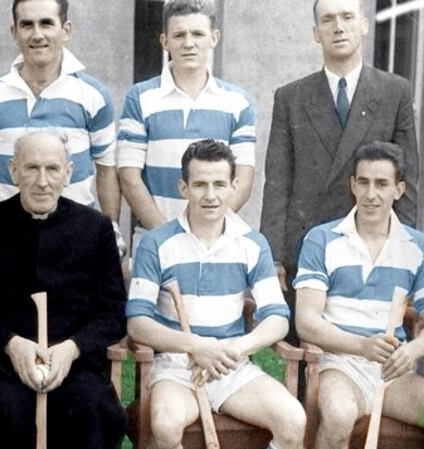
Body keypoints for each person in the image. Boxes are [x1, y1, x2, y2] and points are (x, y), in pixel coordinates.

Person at [0, 129, 127, 449]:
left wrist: (72, 348)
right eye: (32, 168)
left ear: (68, 173)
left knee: (89, 410)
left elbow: (113, 314)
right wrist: (11, 344)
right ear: (13, 170)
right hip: (1, 365)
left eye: (52, 169)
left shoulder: (96, 228)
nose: (42, 181)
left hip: (75, 364)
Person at [127, 140, 305, 449]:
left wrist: (234, 349)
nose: (210, 195)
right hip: (176, 367)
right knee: (166, 426)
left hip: (231, 367)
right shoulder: (156, 243)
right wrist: (197, 346)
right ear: (184, 188)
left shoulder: (253, 243)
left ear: (234, 186)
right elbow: (137, 324)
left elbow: (278, 318)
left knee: (293, 422)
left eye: (219, 184)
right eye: (200, 185)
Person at [261, 0, 419, 294]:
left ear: (364, 25)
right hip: (306, 251)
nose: (338, 27)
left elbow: (407, 181)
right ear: (316, 33)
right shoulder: (291, 98)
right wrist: (273, 256)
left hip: (373, 250)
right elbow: (277, 184)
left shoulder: (394, 92)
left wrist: (405, 249)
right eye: (328, 20)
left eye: (347, 17)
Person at [294, 142, 424, 449]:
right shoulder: (322, 239)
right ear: (353, 185)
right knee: (339, 416)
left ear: (399, 190)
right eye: (363, 182)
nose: (370, 194)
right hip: (339, 366)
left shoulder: (417, 246)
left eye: (382, 184)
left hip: (394, 374)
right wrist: (362, 346)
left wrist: (412, 350)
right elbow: (307, 322)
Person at [0, 0, 121, 230]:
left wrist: (112, 233)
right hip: (6, 236)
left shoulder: (93, 95)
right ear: (14, 32)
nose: (37, 35)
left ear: (66, 30)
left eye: (46, 23)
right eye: (27, 25)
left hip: (75, 235)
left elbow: (106, 170)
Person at [118, 0, 256, 250]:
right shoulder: (139, 97)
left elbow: (243, 180)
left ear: (214, 38)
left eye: (198, 34)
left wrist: (207, 231)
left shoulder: (239, 102)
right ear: (164, 41)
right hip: (155, 239)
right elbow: (129, 177)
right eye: (179, 35)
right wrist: (169, 237)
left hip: (216, 243)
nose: (189, 43)